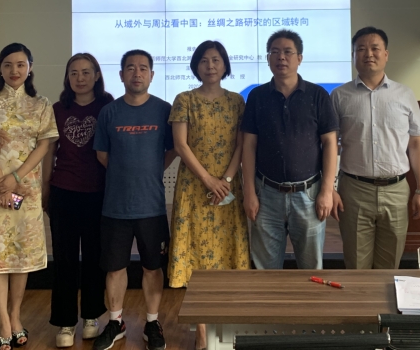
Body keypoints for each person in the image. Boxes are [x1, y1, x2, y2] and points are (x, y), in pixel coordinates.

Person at [0, 43, 59, 350]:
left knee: (21, 255)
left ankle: (16, 316)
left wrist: (15, 178)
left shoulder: (41, 104)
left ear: (30, 68)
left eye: (21, 64)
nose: (14, 70)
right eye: (8, 65)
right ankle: (2, 321)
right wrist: (0, 181)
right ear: (0, 68)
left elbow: (44, 145)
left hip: (26, 188)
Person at [92, 50, 176, 350]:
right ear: (121, 75)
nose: (137, 73)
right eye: (130, 68)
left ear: (151, 75)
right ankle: (116, 322)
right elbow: (102, 154)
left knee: (153, 267)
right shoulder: (109, 112)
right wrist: (124, 173)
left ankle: (152, 322)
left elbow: (172, 150)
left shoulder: (164, 110)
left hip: (151, 206)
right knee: (115, 268)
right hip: (115, 207)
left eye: (143, 68)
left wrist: (149, 171)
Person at [168, 40, 250, 350]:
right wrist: (209, 180)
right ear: (196, 66)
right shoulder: (184, 99)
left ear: (225, 65)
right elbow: (180, 145)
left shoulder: (237, 101)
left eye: (216, 60)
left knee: (227, 255)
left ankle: (225, 324)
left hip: (228, 189)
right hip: (194, 188)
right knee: (196, 258)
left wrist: (225, 179)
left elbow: (241, 145)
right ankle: (201, 331)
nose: (210, 65)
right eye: (204, 60)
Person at [330, 27, 420, 269]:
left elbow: (416, 144)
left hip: (396, 191)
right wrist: (330, 188)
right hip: (354, 190)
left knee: (389, 266)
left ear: (386, 54)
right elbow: (331, 146)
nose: (369, 54)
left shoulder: (404, 94)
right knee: (356, 266)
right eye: (361, 49)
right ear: (353, 55)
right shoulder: (339, 96)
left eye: (375, 48)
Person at [241, 29, 339, 270]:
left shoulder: (317, 95)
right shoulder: (257, 96)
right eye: (274, 52)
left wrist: (327, 190)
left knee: (310, 268)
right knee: (265, 270)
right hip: (266, 195)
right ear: (268, 58)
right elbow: (249, 145)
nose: (281, 57)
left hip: (308, 195)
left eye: (287, 52)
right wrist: (249, 192)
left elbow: (330, 143)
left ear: (299, 58)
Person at [43, 53, 114, 348]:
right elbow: (49, 152)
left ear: (96, 75)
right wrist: (45, 189)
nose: (80, 78)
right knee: (65, 260)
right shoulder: (58, 109)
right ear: (67, 77)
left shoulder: (108, 106)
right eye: (74, 73)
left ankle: (91, 316)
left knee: (96, 258)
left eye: (86, 72)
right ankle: (65, 321)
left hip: (99, 192)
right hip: (64, 191)